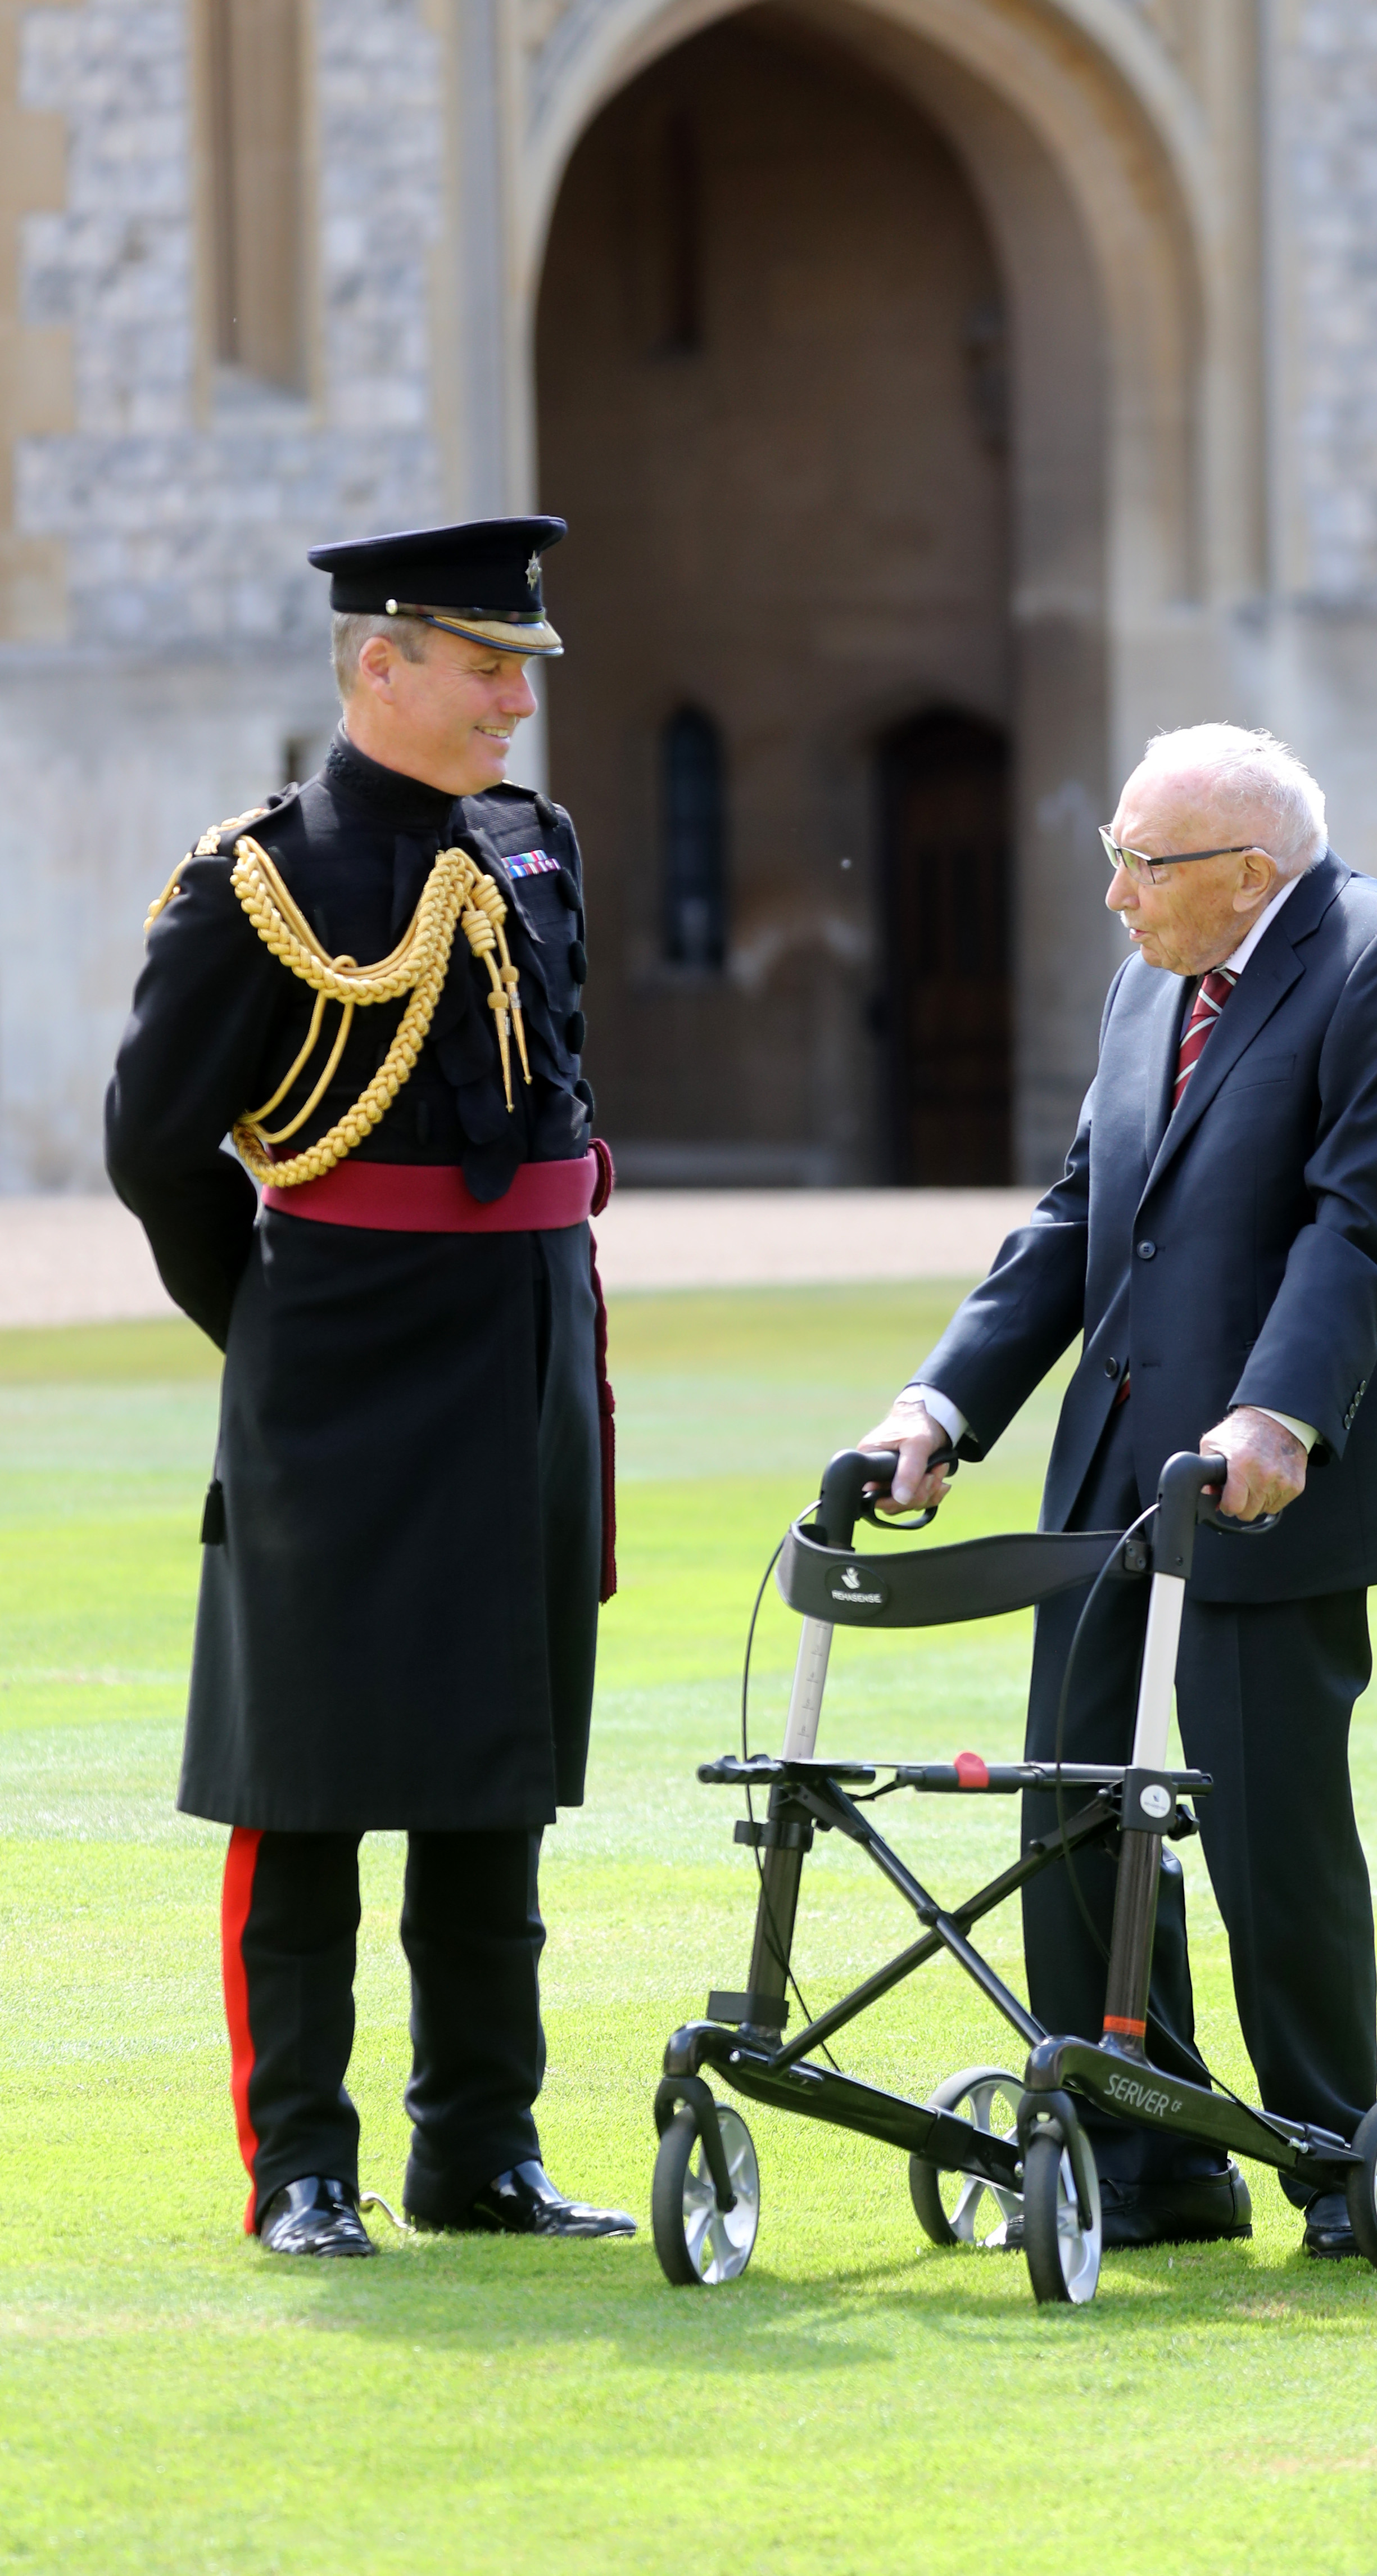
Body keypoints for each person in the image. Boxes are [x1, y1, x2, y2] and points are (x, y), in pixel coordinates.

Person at [860, 723, 1377, 2257]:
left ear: (1248, 872)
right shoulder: (1151, 982)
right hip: (1111, 1470)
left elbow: (1358, 1221)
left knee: (1267, 1820)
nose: (1116, 896)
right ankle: (1145, 2159)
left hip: (1272, 1478)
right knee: (1073, 1805)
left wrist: (1279, 1417)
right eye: (1114, 859)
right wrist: (941, 1403)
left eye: (1143, 864)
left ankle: (1339, 2159)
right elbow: (1078, 1220)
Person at [106, 518, 635, 2255]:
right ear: (376, 664)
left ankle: (478, 2148)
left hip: (527, 1348)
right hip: (335, 1359)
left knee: (498, 1771)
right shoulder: (258, 878)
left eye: (523, 669)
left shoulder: (535, 847)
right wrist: (268, 1331)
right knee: (310, 1774)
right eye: (484, 667)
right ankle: (305, 2168)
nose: (513, 701)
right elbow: (157, 1150)